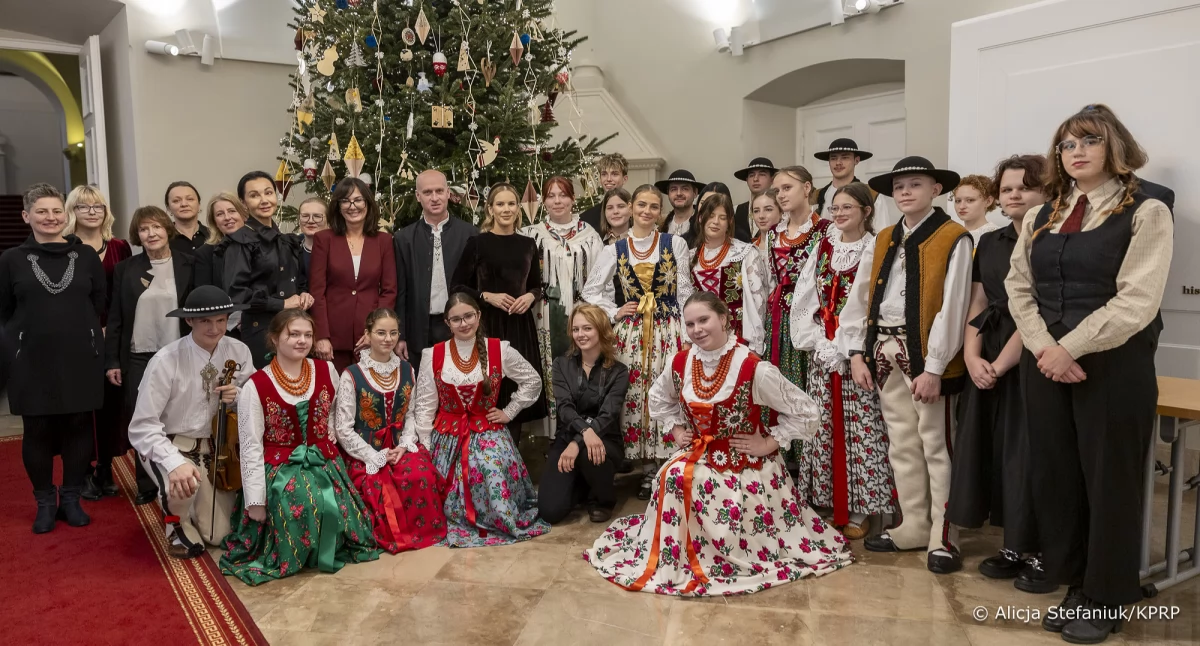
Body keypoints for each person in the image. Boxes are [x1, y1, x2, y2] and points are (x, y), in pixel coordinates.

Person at [1005, 104, 1172, 642]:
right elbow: (1018, 287)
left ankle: (1107, 594)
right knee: (1056, 477)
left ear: (1113, 147)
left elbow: (1137, 301)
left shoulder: (1146, 210)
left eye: (1088, 142)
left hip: (1113, 365)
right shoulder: (1042, 213)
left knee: (1110, 482)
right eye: (1067, 145)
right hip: (1046, 363)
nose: (1075, 152)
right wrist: (1043, 347)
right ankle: (1076, 579)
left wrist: (1067, 347)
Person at [585, 292, 851, 595]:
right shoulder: (681, 362)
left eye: (704, 320)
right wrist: (676, 429)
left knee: (698, 484)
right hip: (698, 455)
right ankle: (678, 558)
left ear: (724, 319)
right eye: (690, 324)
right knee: (671, 477)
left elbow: (807, 412)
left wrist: (769, 442)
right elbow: (657, 399)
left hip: (745, 465)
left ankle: (726, 558)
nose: (697, 329)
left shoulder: (754, 368)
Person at [839, 156, 970, 574]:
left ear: (936, 189)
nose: (905, 192)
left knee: (937, 443)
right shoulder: (883, 239)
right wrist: (857, 351)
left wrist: (934, 368)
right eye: (899, 187)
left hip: (928, 356)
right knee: (901, 442)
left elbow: (954, 306)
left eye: (915, 184)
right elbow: (859, 298)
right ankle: (912, 523)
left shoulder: (954, 237)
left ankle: (943, 533)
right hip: (883, 351)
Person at [947, 154, 1052, 593]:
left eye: (1023, 188)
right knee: (992, 450)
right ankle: (1012, 544)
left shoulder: (1051, 239)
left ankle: (1043, 548)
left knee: (1026, 454)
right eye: (1006, 188)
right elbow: (977, 302)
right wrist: (972, 356)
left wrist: (1003, 362)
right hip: (987, 351)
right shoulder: (989, 242)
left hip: (1029, 353)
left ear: (1046, 192)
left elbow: (1036, 308)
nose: (1013, 195)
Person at [221, 309, 380, 585]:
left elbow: (333, 411)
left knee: (332, 504)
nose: (301, 341)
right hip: (280, 467)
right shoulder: (256, 385)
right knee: (300, 501)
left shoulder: (326, 370)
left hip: (323, 462)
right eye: (293, 334)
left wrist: (327, 434)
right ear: (274, 339)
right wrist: (256, 502)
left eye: (307, 335)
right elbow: (249, 446)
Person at [789, 182, 896, 540]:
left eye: (848, 207)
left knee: (863, 431)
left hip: (861, 354)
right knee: (823, 427)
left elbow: (875, 303)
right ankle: (824, 499)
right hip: (825, 354)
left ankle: (861, 506)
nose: (839, 214)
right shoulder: (823, 246)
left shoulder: (877, 247)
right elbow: (805, 301)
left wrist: (850, 347)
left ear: (866, 211)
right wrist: (819, 342)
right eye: (835, 208)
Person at [0, 183, 106, 533]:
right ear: (26, 216)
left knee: (79, 427)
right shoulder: (11, 259)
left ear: (66, 214)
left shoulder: (87, 256)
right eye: (42, 211)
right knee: (38, 430)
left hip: (80, 358)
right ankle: (45, 502)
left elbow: (98, 305)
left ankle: (72, 499)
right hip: (31, 361)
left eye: (57, 211)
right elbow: (4, 311)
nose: (51, 217)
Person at [408, 292, 551, 546]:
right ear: (447, 323)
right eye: (456, 319)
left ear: (479, 315)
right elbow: (425, 405)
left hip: (488, 430)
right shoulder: (433, 354)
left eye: (468, 316)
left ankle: (496, 518)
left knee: (491, 468)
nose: (463, 324)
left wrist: (508, 412)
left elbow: (533, 381)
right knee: (437, 478)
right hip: (447, 436)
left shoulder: (500, 349)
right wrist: (427, 445)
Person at [584, 184, 694, 500]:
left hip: (667, 329)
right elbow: (591, 291)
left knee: (667, 391)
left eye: (654, 207)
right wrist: (614, 310)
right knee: (634, 393)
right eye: (642, 205)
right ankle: (645, 468)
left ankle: (666, 462)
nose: (647, 212)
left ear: (661, 212)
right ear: (632, 207)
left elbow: (684, 289)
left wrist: (687, 334)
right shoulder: (614, 249)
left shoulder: (676, 244)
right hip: (631, 333)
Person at [127, 286, 254, 558]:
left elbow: (253, 400)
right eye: (205, 321)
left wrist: (239, 396)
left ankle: (194, 507)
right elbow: (142, 427)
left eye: (221, 320)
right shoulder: (165, 360)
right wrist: (174, 463)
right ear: (189, 321)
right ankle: (176, 525)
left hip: (216, 448)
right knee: (184, 483)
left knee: (218, 536)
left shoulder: (239, 351)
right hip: (172, 444)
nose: (215, 328)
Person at [332, 308, 447, 553]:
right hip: (364, 452)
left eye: (393, 333)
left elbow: (411, 414)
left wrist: (404, 445)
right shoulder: (352, 375)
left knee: (421, 475)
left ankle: (423, 532)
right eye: (381, 333)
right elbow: (343, 428)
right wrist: (375, 456)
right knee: (377, 488)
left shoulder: (407, 369)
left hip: (398, 447)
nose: (388, 339)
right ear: (368, 335)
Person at [105, 206, 196, 505]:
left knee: (178, 417)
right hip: (138, 356)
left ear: (167, 229)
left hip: (179, 353)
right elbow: (116, 318)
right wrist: (113, 361)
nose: (151, 233)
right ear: (137, 234)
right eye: (144, 229)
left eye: (156, 227)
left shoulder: (188, 263)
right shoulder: (125, 269)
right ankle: (147, 482)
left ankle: (184, 474)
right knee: (143, 419)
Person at [451, 182, 546, 445]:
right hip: (488, 325)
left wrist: (530, 296)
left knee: (516, 387)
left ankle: (512, 454)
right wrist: (486, 296)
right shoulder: (477, 243)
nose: (506, 209)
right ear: (490, 209)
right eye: (500, 204)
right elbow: (457, 286)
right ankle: (485, 450)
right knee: (490, 387)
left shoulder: (528, 244)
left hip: (519, 325)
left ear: (518, 209)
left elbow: (538, 286)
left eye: (511, 204)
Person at [63, 185, 133, 501]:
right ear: (72, 212)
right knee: (82, 407)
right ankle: (84, 468)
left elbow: (127, 292)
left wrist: (112, 328)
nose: (92, 212)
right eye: (84, 207)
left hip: (114, 335)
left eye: (98, 207)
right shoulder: (63, 247)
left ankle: (105, 467)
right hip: (77, 337)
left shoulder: (120, 246)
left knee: (111, 406)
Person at [521, 176, 603, 434]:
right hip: (544, 315)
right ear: (543, 201)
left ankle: (581, 428)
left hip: (581, 314)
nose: (557, 201)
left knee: (581, 368)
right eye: (551, 196)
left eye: (563, 195)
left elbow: (602, 278)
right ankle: (553, 432)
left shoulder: (589, 234)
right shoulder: (531, 234)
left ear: (572, 199)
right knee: (550, 366)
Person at [764, 166, 833, 466]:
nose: (781, 194)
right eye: (777, 190)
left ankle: (810, 464)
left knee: (808, 387)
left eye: (787, 188)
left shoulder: (826, 229)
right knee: (778, 386)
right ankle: (782, 458)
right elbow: (768, 279)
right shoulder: (772, 233)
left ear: (807, 188)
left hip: (811, 320)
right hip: (777, 320)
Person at [538, 304, 629, 524]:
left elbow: (607, 415)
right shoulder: (561, 365)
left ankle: (602, 499)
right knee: (550, 511)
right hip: (567, 438)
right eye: (576, 329)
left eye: (587, 328)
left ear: (600, 329)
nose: (581, 334)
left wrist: (580, 440)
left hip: (603, 440)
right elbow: (564, 408)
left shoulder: (619, 371)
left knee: (590, 449)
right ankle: (582, 483)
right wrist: (581, 434)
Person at [223, 171, 311, 368]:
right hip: (261, 331)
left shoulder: (285, 240)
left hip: (293, 327)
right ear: (243, 203)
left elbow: (299, 280)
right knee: (266, 392)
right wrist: (282, 304)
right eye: (254, 195)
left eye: (268, 193)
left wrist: (304, 293)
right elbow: (238, 294)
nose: (264, 200)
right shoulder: (241, 241)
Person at [394, 169, 478, 370]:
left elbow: (476, 285)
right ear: (418, 196)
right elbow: (401, 292)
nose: (434, 198)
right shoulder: (403, 239)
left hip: (460, 326)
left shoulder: (470, 234)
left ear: (448, 193)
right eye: (427, 192)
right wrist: (400, 335)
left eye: (439, 191)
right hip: (419, 329)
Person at [311, 178, 397, 373]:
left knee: (369, 398)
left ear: (367, 203)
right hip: (332, 339)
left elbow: (389, 291)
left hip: (370, 338)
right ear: (338, 206)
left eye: (358, 200)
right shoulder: (324, 239)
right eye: (345, 201)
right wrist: (321, 335)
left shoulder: (384, 241)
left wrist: (375, 332)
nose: (353, 206)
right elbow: (317, 291)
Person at [689, 192, 765, 354]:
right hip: (701, 339)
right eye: (711, 216)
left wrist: (755, 345)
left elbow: (757, 302)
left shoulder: (745, 253)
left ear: (730, 221)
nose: (716, 222)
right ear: (700, 218)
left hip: (737, 337)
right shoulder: (689, 258)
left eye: (722, 217)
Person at [812, 138, 891, 226]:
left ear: (856, 160)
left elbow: (881, 233)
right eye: (833, 158)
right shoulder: (817, 196)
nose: (838, 162)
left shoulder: (872, 195)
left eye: (845, 157)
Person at [193, 192, 247, 290]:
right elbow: (206, 294)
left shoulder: (260, 245)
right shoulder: (205, 253)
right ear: (214, 222)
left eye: (232, 211)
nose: (227, 217)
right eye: (220, 214)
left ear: (243, 215)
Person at [655, 169, 705, 248]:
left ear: (695, 193)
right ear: (668, 194)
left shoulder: (704, 224)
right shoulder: (661, 227)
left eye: (685, 189)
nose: (679, 193)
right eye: (673, 189)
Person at [581, 153, 629, 231]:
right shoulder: (586, 218)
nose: (609, 179)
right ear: (600, 179)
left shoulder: (636, 213)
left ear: (625, 179)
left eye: (614, 174)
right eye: (604, 174)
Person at [733, 157, 777, 243]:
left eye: (762, 174)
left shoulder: (781, 209)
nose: (755, 179)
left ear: (772, 179)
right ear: (747, 180)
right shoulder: (736, 210)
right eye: (751, 175)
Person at [952, 175, 1000, 244]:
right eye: (958, 201)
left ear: (988, 201)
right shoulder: (952, 235)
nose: (961, 206)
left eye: (970, 200)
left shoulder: (996, 236)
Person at [165, 181, 209, 255]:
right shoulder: (162, 239)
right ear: (168, 208)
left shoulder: (213, 236)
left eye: (190, 199)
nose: (184, 204)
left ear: (199, 204)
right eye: (176, 201)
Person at [297, 197, 329, 280]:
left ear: (328, 220)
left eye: (317, 216)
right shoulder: (290, 248)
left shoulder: (339, 248)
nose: (310, 221)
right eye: (305, 216)